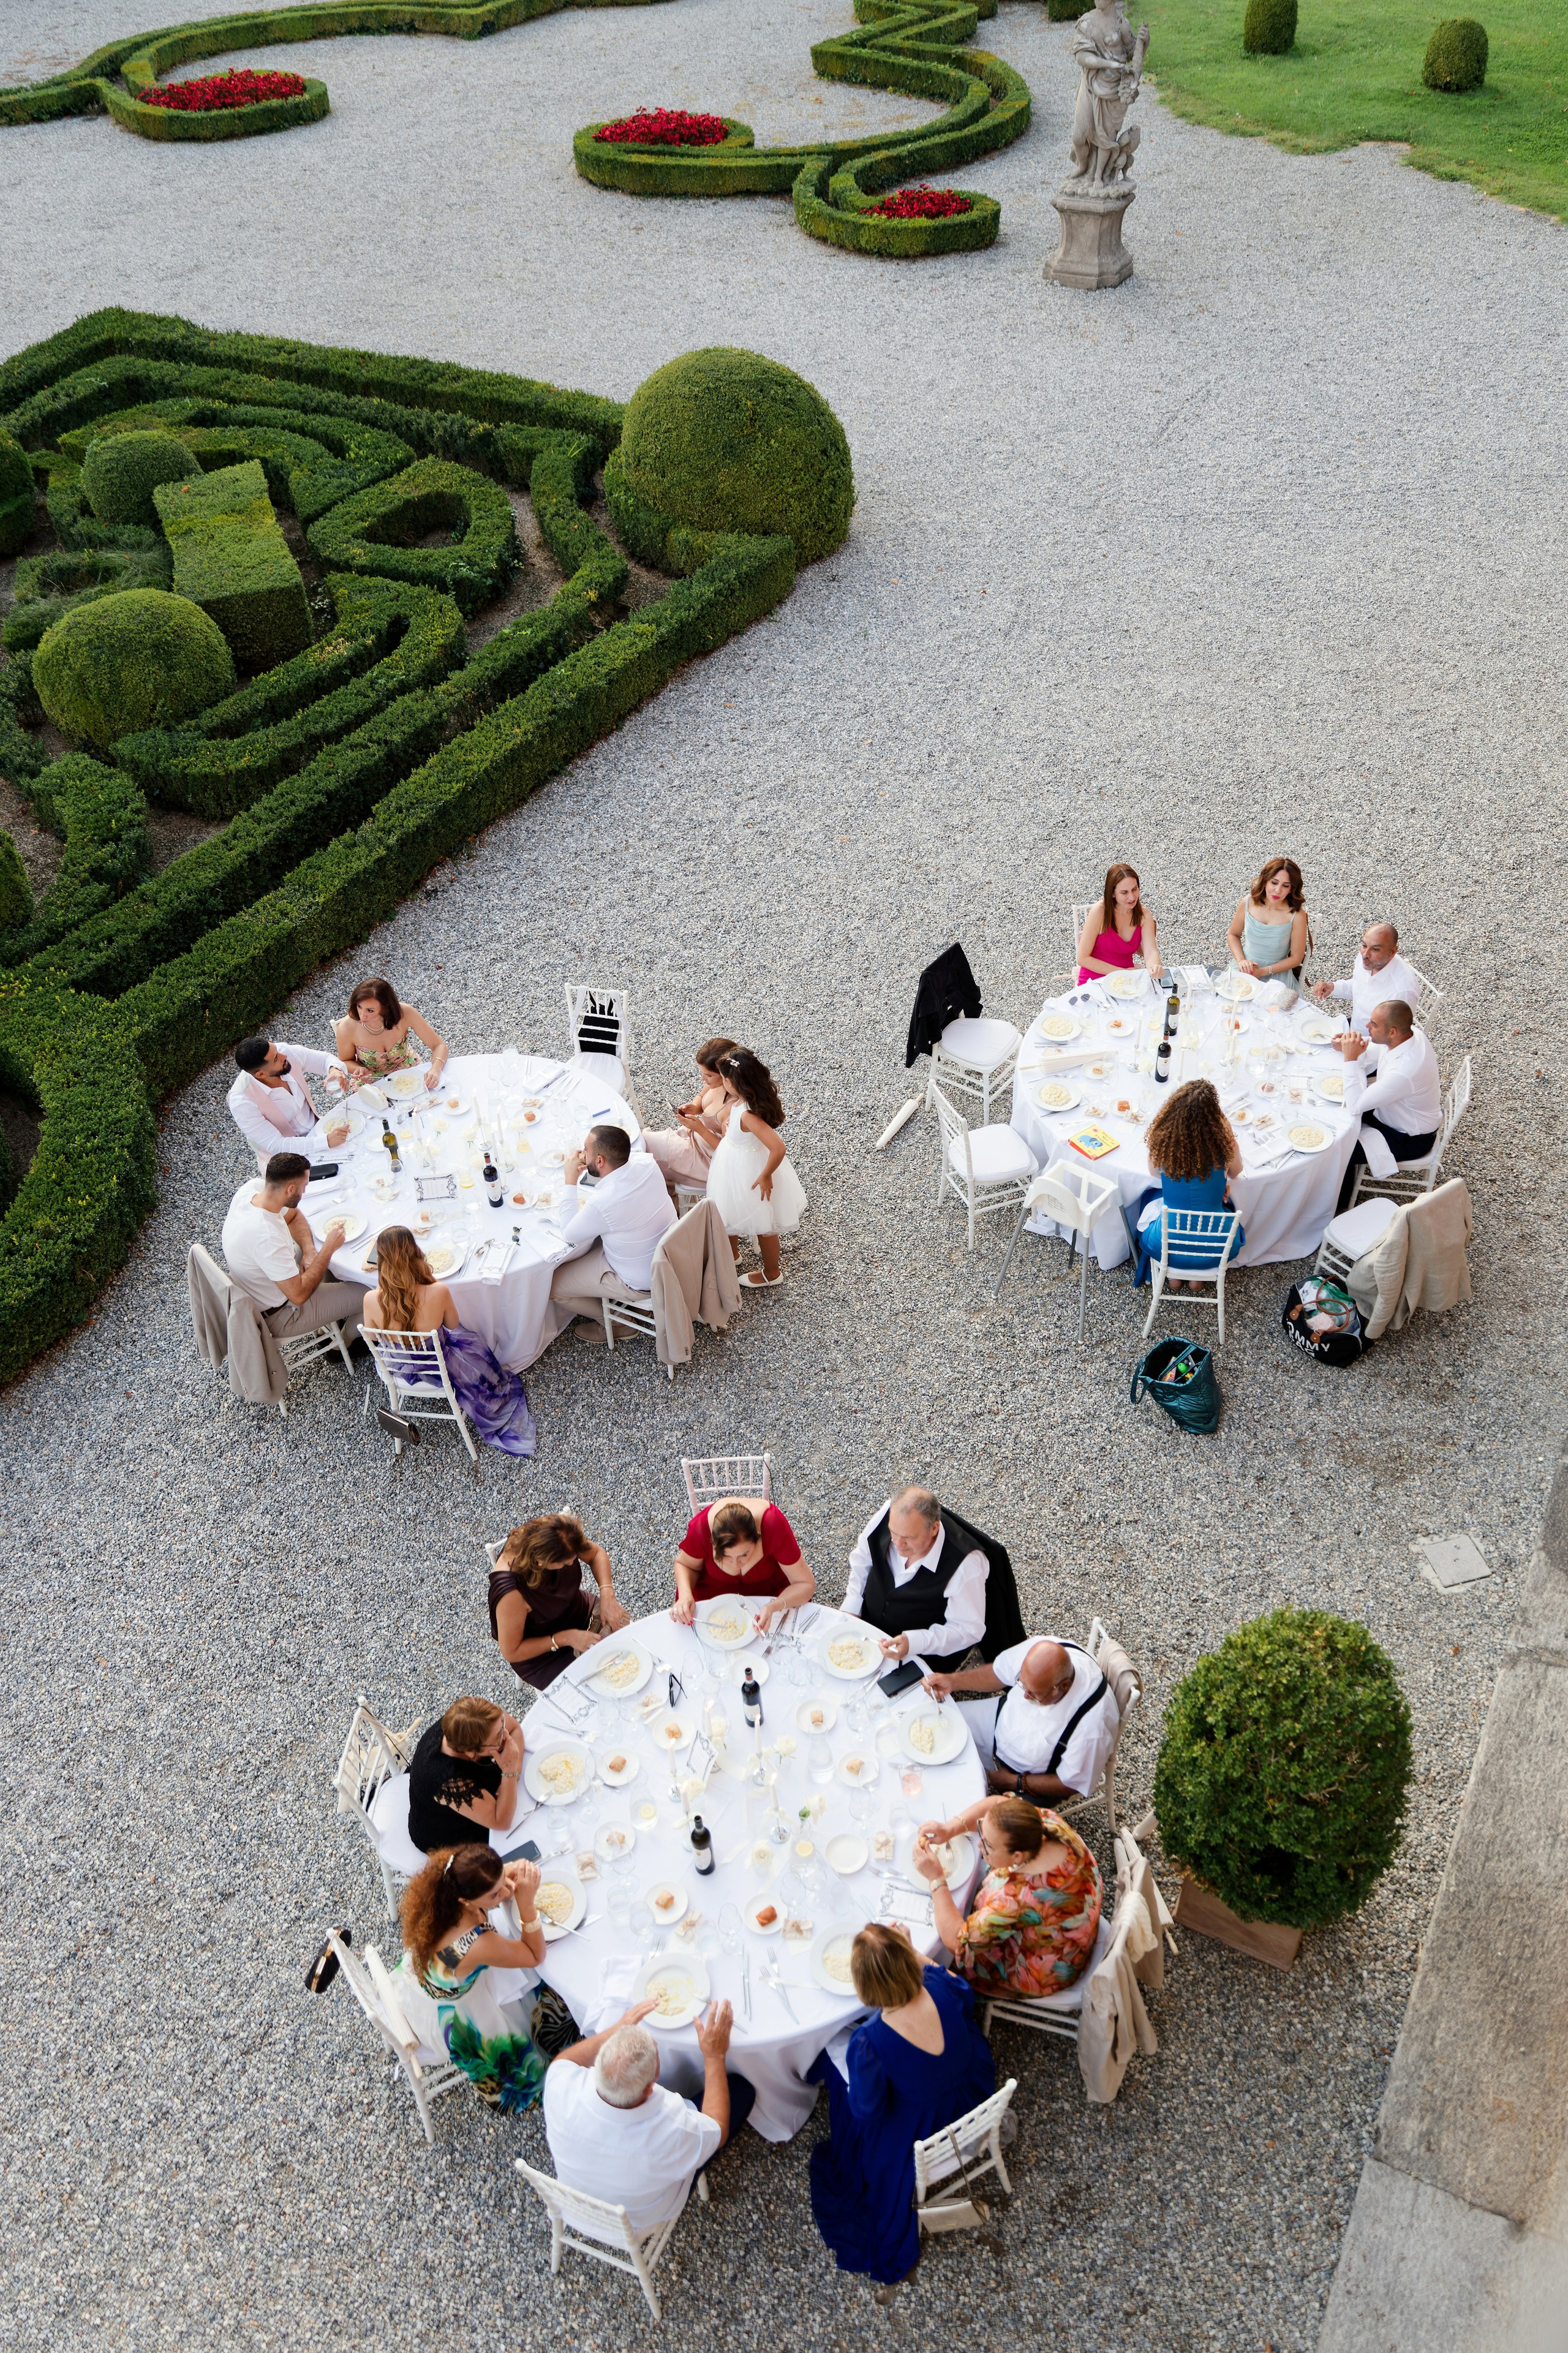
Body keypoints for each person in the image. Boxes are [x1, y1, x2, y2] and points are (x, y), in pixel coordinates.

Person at [807, 1925, 995, 2297]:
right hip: (971, 2095)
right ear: (909, 1960)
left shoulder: (870, 2042)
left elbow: (868, 2111)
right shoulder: (938, 1985)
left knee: (835, 2069)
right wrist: (912, 1952)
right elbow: (966, 1996)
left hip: (922, 2131)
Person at [543, 1998, 756, 2231]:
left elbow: (562, 2062)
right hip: (641, 2221)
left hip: (575, 2205)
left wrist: (618, 2028)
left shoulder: (560, 2086)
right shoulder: (675, 2129)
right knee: (743, 2091)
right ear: (650, 2086)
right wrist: (714, 2057)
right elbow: (718, 2129)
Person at [397, 1843, 548, 2112]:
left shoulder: (446, 1885)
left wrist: (504, 1874)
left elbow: (493, 1878)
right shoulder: (474, 1943)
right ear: (465, 1902)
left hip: (424, 1984)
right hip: (459, 2017)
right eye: (494, 1895)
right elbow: (535, 1954)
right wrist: (526, 1904)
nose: (504, 1894)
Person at [362, 1226, 536, 1456]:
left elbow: (373, 1337)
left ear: (381, 1262)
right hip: (439, 1363)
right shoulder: (437, 1290)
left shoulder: (372, 1298)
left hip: (398, 1367)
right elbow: (453, 1325)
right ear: (415, 1253)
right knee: (473, 1343)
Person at [914, 1792, 1102, 2000]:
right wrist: (950, 1829)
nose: (979, 1845)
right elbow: (996, 1804)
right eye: (982, 1835)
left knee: (943, 1968)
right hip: (1074, 1926)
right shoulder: (1045, 1822)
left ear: (1018, 1857)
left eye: (988, 1845)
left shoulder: (1014, 1900)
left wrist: (936, 1877)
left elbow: (956, 1942)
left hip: (1049, 1967)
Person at [843, 1487, 1025, 1674]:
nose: (898, 1544)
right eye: (893, 1533)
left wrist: (916, 1642)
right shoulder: (889, 1513)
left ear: (934, 1529)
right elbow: (862, 1557)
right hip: (865, 1635)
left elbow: (968, 1629)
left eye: (908, 1538)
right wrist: (853, 1606)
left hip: (921, 1660)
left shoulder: (966, 1565)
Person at [919, 1635, 1121, 1801]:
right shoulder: (1040, 1649)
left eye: (1034, 1694)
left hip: (1029, 1778)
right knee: (932, 1727)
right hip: (998, 1721)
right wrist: (952, 1682)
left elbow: (1070, 1783)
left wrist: (1016, 1782)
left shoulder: (1092, 1727)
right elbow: (998, 1673)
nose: (1024, 1696)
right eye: (1021, 1684)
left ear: (1064, 1686)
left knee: (982, 1823)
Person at [543, 1124, 676, 1345]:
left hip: (642, 1279)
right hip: (670, 1254)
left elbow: (569, 1234)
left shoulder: (603, 1203)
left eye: (586, 1150)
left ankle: (618, 1324)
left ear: (600, 1161)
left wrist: (570, 1180)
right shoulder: (646, 1163)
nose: (582, 1153)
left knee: (553, 1286)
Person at [219, 1150, 364, 1344]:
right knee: (373, 1292)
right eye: (304, 1187)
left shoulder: (252, 1190)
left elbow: (294, 1215)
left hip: (272, 1287)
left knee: (322, 1257)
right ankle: (344, 1342)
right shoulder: (266, 1236)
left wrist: (310, 1251)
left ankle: (334, 1315)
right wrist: (328, 1249)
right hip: (284, 1314)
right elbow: (299, 1295)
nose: (305, 1192)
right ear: (290, 1189)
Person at [489, 1513, 629, 1691]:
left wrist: (608, 1595)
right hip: (544, 1652)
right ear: (541, 1562)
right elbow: (512, 1651)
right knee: (600, 1688)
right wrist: (566, 1638)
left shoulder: (559, 1534)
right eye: (565, 1564)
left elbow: (595, 1554)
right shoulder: (512, 1594)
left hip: (580, 1610)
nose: (573, 1563)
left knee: (629, 1649)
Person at [704, 1047, 807, 1290]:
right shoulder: (740, 1102)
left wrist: (766, 1175)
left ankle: (772, 1272)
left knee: (764, 1224)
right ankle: (731, 1256)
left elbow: (778, 1148)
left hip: (750, 1173)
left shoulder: (749, 1115)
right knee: (727, 1211)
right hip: (733, 1165)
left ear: (730, 1082)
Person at [1333, 999, 1442, 1214]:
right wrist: (1355, 1046)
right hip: (1392, 1112)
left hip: (1407, 1136)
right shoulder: (1411, 1036)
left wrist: (1350, 1058)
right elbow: (1375, 1052)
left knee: (1339, 1148)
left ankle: (1340, 1204)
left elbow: (1356, 1105)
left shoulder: (1405, 1071)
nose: (1367, 1027)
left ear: (1392, 1032)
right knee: (1333, 1115)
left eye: (1373, 1025)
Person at [1137, 1079, 1245, 1290]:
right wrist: (1228, 1134)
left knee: (1149, 1200)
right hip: (1217, 1246)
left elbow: (1154, 1173)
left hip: (1166, 1243)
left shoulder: (1165, 1147)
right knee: (1223, 1208)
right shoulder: (1223, 1148)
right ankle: (1197, 1279)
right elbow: (1236, 1171)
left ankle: (1175, 1276)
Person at [671, 1495, 816, 1631]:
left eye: (745, 1554)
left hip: (770, 1592)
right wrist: (685, 1595)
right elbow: (685, 1564)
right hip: (715, 1596)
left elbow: (805, 1584)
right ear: (712, 1543)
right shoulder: (701, 1530)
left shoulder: (773, 1525)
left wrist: (774, 1606)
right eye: (726, 1556)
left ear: (759, 1537)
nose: (736, 1564)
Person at [406, 1696, 527, 1853]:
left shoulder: (469, 1723)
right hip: (449, 1832)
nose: (505, 1735)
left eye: (501, 1724)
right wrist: (509, 1771)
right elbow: (502, 1821)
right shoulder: (449, 1780)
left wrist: (515, 1771)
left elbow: (514, 1728)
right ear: (471, 1752)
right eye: (498, 1738)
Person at [641, 1035, 741, 1201]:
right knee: (645, 1142)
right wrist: (695, 1107)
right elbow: (702, 1096)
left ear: (725, 1075)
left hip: (709, 1159)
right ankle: (668, 1199)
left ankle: (667, 1205)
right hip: (694, 1137)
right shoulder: (715, 1083)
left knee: (647, 1151)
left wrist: (700, 1129)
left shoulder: (734, 1107)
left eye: (708, 1075)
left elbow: (731, 1152)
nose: (703, 1079)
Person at [227, 1036, 350, 1169]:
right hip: (286, 1162)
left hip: (321, 1132)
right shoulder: (241, 1101)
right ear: (261, 1074)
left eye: (276, 1050)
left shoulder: (284, 1053)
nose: (283, 1055)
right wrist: (325, 1142)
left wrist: (335, 1070)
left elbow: (326, 1059)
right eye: (275, 1058)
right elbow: (277, 1145)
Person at [334, 976, 448, 1093]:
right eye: (359, 1007)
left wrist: (435, 1069)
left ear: (385, 1007)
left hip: (409, 1071)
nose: (362, 1015)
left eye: (370, 1010)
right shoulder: (347, 1028)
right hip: (372, 1079)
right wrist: (359, 1069)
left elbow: (439, 1045)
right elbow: (344, 1061)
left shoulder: (405, 1013)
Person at [1312, 923, 1424, 1035]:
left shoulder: (1402, 992)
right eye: (1364, 945)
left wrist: (1355, 1046)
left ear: (1393, 952)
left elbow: (1396, 1038)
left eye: (1375, 949)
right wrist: (1332, 987)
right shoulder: (1368, 960)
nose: (1365, 954)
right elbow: (1359, 985)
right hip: (1353, 1030)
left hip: (1374, 1046)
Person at [1076, 862, 1164, 984]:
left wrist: (1155, 967)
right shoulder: (1099, 911)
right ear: (1112, 893)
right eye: (1124, 893)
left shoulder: (1144, 915)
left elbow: (1150, 952)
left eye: (1134, 889)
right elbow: (1082, 958)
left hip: (1127, 979)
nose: (1132, 897)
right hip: (1095, 979)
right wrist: (1123, 973)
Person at [1227, 856, 1310, 985]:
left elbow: (1296, 958)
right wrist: (1241, 961)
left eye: (1286, 886)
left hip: (1276, 975)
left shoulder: (1297, 916)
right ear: (1265, 881)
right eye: (1274, 883)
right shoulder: (1248, 902)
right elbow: (1233, 935)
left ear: (1291, 889)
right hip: (1244, 968)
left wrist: (1265, 971)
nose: (1278, 890)